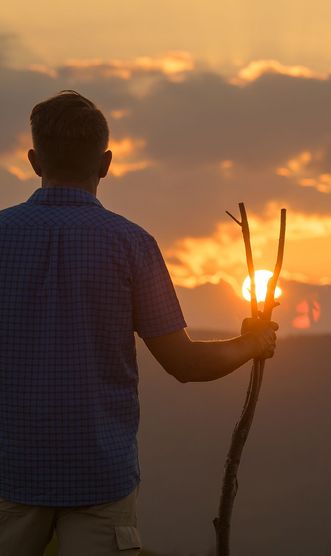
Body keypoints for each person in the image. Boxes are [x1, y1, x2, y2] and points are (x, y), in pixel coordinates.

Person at [0, 90, 278, 556]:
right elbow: (184, 363)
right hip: (100, 475)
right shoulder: (132, 245)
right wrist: (251, 344)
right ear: (106, 163)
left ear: (32, 160)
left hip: (11, 470)